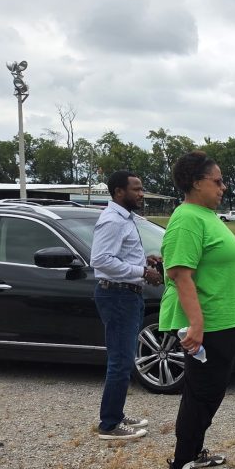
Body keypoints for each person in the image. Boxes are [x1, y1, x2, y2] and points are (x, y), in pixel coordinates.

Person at [158, 151, 235, 469]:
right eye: (217, 181)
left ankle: (194, 449)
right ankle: (179, 468)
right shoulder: (187, 219)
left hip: (222, 319)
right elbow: (180, 274)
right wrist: (196, 324)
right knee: (201, 392)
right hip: (207, 322)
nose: (223, 187)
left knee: (210, 390)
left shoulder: (206, 215)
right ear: (196, 183)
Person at [90, 169, 162, 439]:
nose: (141, 194)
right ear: (119, 192)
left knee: (123, 359)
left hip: (127, 294)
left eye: (141, 188)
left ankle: (116, 414)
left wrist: (145, 262)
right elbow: (101, 260)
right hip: (117, 295)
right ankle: (109, 424)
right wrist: (142, 273)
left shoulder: (126, 218)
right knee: (120, 361)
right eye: (136, 189)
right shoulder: (113, 220)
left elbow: (120, 256)